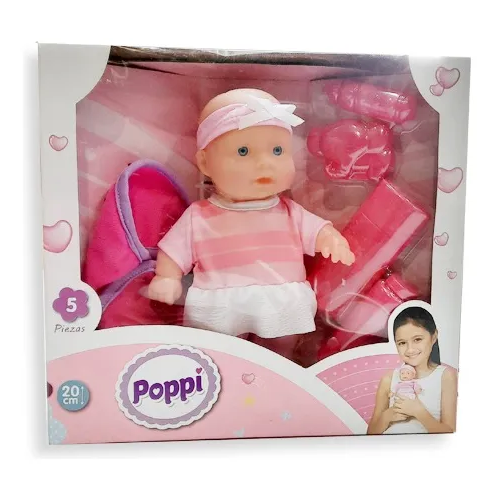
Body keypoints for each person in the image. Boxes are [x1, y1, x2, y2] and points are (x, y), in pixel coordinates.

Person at [146, 88, 355, 359]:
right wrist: (167, 276)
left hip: (280, 298)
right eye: (243, 151)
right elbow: (174, 250)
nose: (265, 164)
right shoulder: (199, 215)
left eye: (277, 150)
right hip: (221, 301)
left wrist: (331, 238)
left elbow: (316, 230)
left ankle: (282, 365)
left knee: (281, 346)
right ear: (205, 163)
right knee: (220, 352)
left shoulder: (288, 211)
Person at [367, 306, 457, 434]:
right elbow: (371, 433)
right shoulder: (389, 379)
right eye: (402, 343)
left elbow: (449, 433)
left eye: (417, 339)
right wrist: (387, 416)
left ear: (434, 336)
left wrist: (418, 411)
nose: (410, 349)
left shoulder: (446, 376)